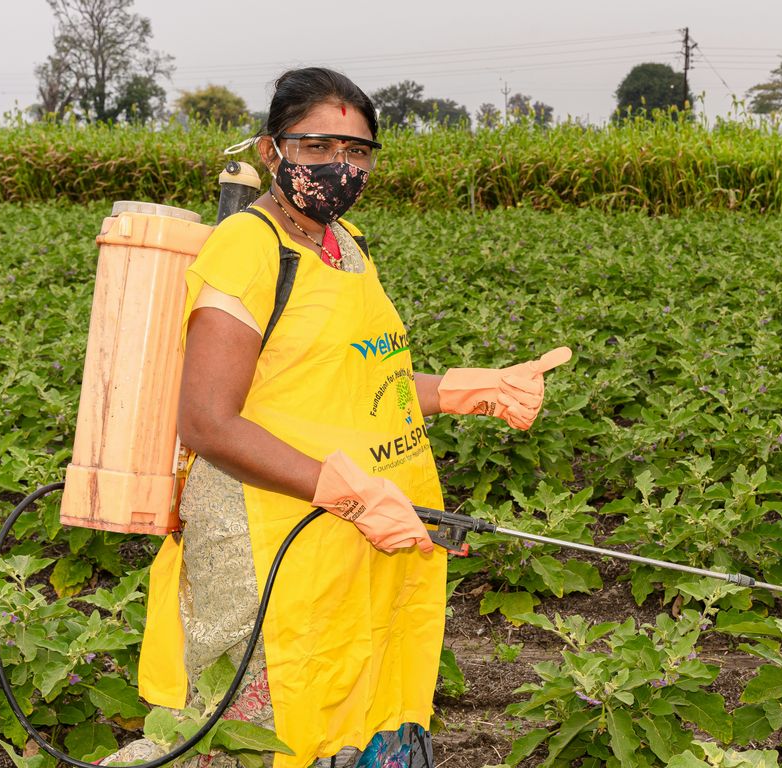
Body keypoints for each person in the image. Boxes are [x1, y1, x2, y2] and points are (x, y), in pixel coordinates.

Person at [100, 67, 570, 768]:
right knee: (254, 729)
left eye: (358, 151)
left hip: (364, 527)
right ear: (272, 150)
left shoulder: (345, 243)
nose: (340, 166)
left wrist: (468, 389)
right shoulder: (247, 249)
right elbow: (207, 422)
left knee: (355, 692)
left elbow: (354, 376)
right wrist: (345, 493)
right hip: (268, 534)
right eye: (318, 147)